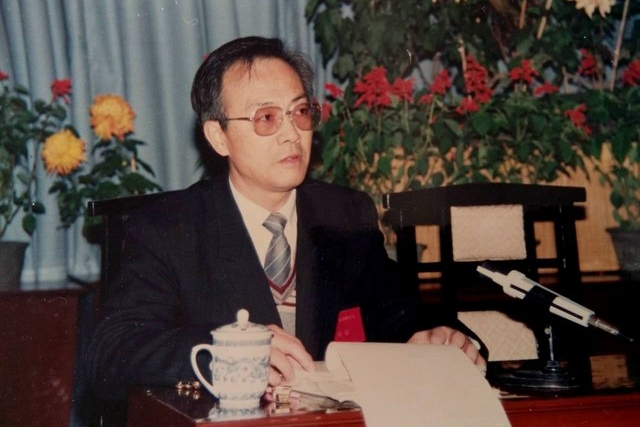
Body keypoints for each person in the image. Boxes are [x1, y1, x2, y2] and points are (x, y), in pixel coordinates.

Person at [85, 36, 486, 400]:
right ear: (218, 137)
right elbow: (112, 348)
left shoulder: (343, 213)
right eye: (266, 118)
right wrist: (226, 351)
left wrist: (432, 334)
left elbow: (396, 308)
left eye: (300, 111)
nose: (292, 133)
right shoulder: (167, 228)